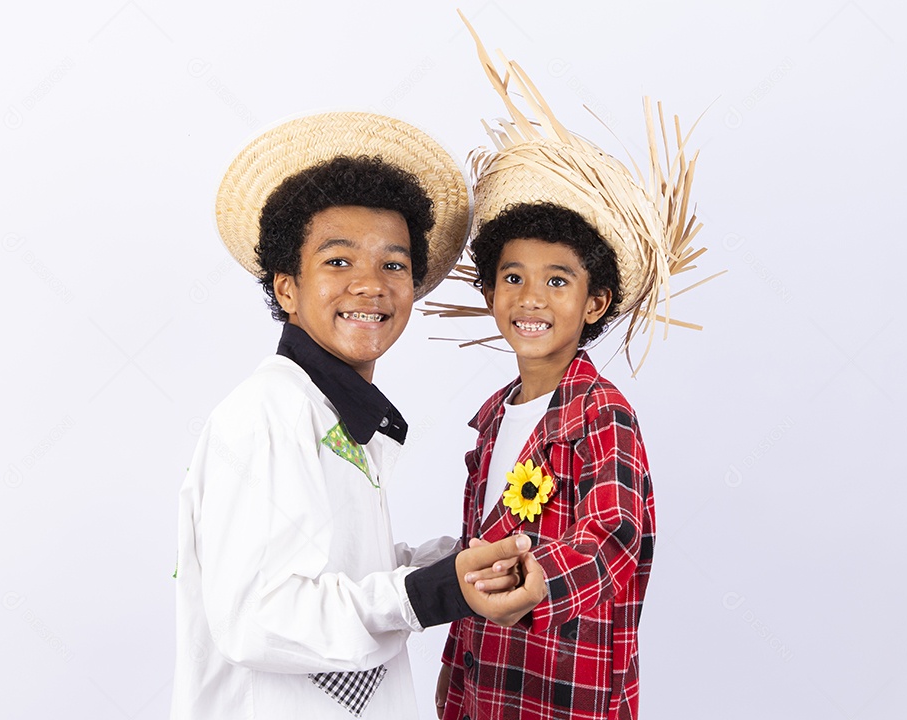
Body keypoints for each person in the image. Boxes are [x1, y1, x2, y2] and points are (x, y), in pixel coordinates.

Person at [172, 112, 546, 720]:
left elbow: (342, 573)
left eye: (393, 265)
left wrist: (452, 564)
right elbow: (256, 617)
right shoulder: (264, 416)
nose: (371, 286)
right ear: (286, 287)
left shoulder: (337, 414)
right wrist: (431, 592)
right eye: (339, 262)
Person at [432, 19, 719, 720]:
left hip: (566, 701)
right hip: (488, 692)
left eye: (558, 281)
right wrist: (454, 671)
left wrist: (539, 579)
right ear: (491, 291)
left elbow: (613, 536)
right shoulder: (495, 417)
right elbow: (478, 552)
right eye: (513, 277)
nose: (531, 298)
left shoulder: (602, 415)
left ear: (596, 301)